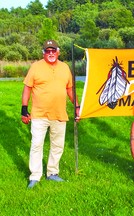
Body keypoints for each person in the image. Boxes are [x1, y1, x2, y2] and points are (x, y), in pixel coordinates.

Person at [21, 39, 80, 189]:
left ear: (58, 52)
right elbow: (27, 88)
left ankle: (52, 173)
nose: (51, 53)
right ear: (44, 53)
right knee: (36, 145)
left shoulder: (65, 68)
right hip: (39, 115)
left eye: (53, 50)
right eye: (48, 51)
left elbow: (70, 90)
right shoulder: (35, 67)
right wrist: (24, 109)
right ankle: (35, 176)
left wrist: (77, 106)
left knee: (57, 145)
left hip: (60, 114)